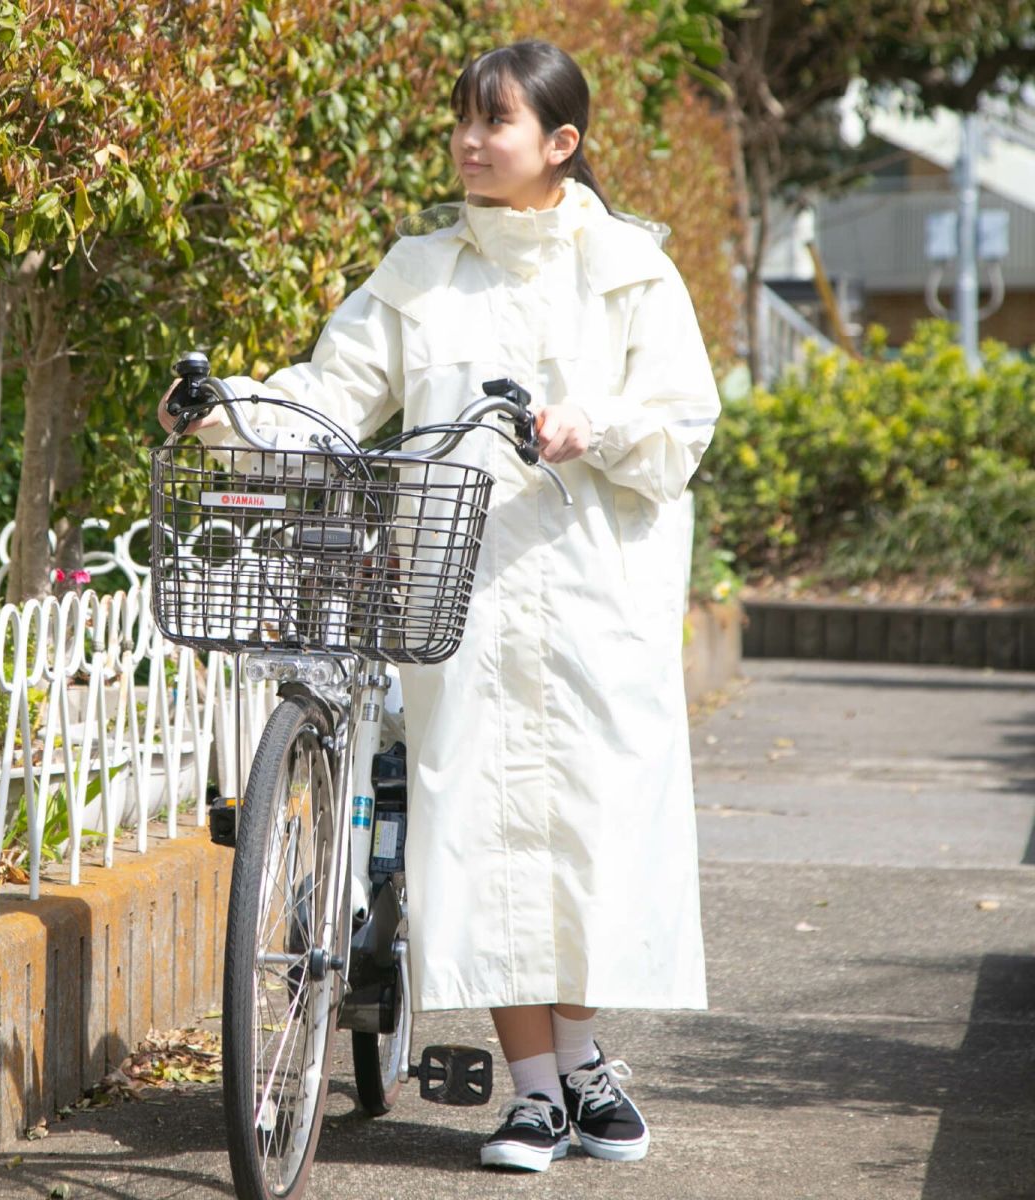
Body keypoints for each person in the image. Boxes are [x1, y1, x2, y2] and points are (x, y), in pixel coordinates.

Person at [161, 38, 720, 1174]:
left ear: (560, 145)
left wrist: (588, 426)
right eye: (463, 121)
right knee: (485, 832)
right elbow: (332, 392)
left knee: (593, 835)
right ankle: (529, 1093)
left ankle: (585, 1061)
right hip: (460, 590)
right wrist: (227, 413)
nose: (470, 141)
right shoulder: (420, 270)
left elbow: (682, 429)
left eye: (495, 123)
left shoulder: (632, 271)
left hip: (594, 591)